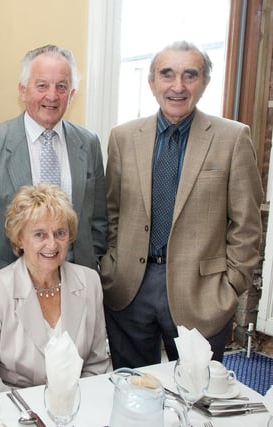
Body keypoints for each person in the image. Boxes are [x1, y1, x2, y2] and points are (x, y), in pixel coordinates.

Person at [101, 41, 263, 369]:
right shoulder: (122, 137)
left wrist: (229, 286)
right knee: (132, 389)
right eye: (167, 75)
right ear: (152, 83)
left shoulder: (232, 138)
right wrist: (111, 267)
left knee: (195, 392)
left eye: (190, 75)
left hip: (202, 293)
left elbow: (247, 225)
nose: (178, 86)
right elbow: (111, 212)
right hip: (130, 288)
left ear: (204, 83)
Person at [0, 45, 107, 346]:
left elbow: (98, 222)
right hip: (7, 292)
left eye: (61, 86)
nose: (52, 96)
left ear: (72, 92)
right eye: (42, 85)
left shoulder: (88, 143)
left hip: (72, 292)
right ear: (23, 90)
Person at [0, 184, 109, 392]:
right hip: (18, 414)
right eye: (40, 235)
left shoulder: (90, 282)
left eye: (60, 233)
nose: (52, 245)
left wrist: (71, 406)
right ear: (19, 238)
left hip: (77, 408)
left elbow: (97, 365)